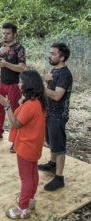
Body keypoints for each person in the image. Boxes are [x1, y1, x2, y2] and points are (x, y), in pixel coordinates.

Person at [0, 70, 47, 219]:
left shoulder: (31, 105)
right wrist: (21, 103)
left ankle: (22, 208)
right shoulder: (38, 101)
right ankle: (30, 199)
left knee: (26, 178)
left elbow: (16, 124)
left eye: (21, 82)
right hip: (35, 146)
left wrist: (7, 106)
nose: (18, 84)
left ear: (28, 85)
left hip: (26, 146)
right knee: (32, 174)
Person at [38, 43, 73, 191]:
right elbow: (51, 89)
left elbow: (57, 96)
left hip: (58, 115)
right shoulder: (55, 70)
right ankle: (52, 164)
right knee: (51, 140)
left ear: (62, 57)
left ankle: (59, 178)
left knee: (58, 146)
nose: (50, 55)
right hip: (50, 112)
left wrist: (40, 86)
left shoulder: (65, 74)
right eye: (50, 53)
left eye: (53, 54)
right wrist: (46, 81)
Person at [0, 22, 26, 144]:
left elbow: (22, 67)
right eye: (3, 33)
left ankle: (16, 139)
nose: (5, 36)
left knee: (15, 111)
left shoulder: (19, 48)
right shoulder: (1, 45)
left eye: (8, 33)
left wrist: (6, 64)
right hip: (2, 82)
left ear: (14, 34)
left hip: (14, 84)